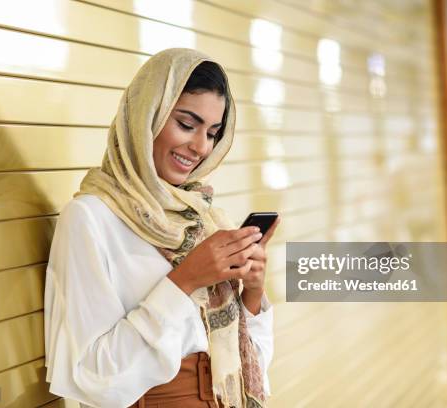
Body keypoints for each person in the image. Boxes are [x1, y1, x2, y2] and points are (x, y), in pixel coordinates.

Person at [44, 48, 280, 408]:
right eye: (186, 124)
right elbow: (92, 377)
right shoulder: (90, 219)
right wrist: (184, 280)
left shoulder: (202, 219)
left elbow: (253, 366)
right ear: (146, 115)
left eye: (213, 133)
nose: (200, 146)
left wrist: (252, 291)